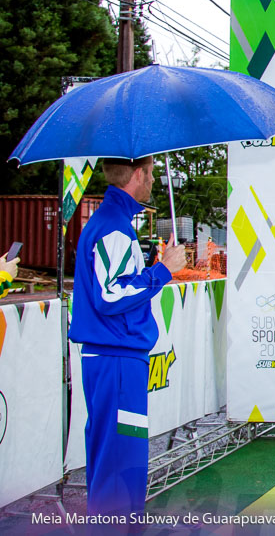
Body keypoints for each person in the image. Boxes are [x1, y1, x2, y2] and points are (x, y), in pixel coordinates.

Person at [68, 157, 186, 516]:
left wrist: (156, 270)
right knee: (118, 461)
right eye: (150, 174)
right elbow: (110, 295)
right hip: (115, 356)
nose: (152, 180)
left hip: (115, 356)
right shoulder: (114, 227)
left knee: (122, 456)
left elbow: (112, 288)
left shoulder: (114, 223)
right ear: (138, 174)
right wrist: (162, 272)